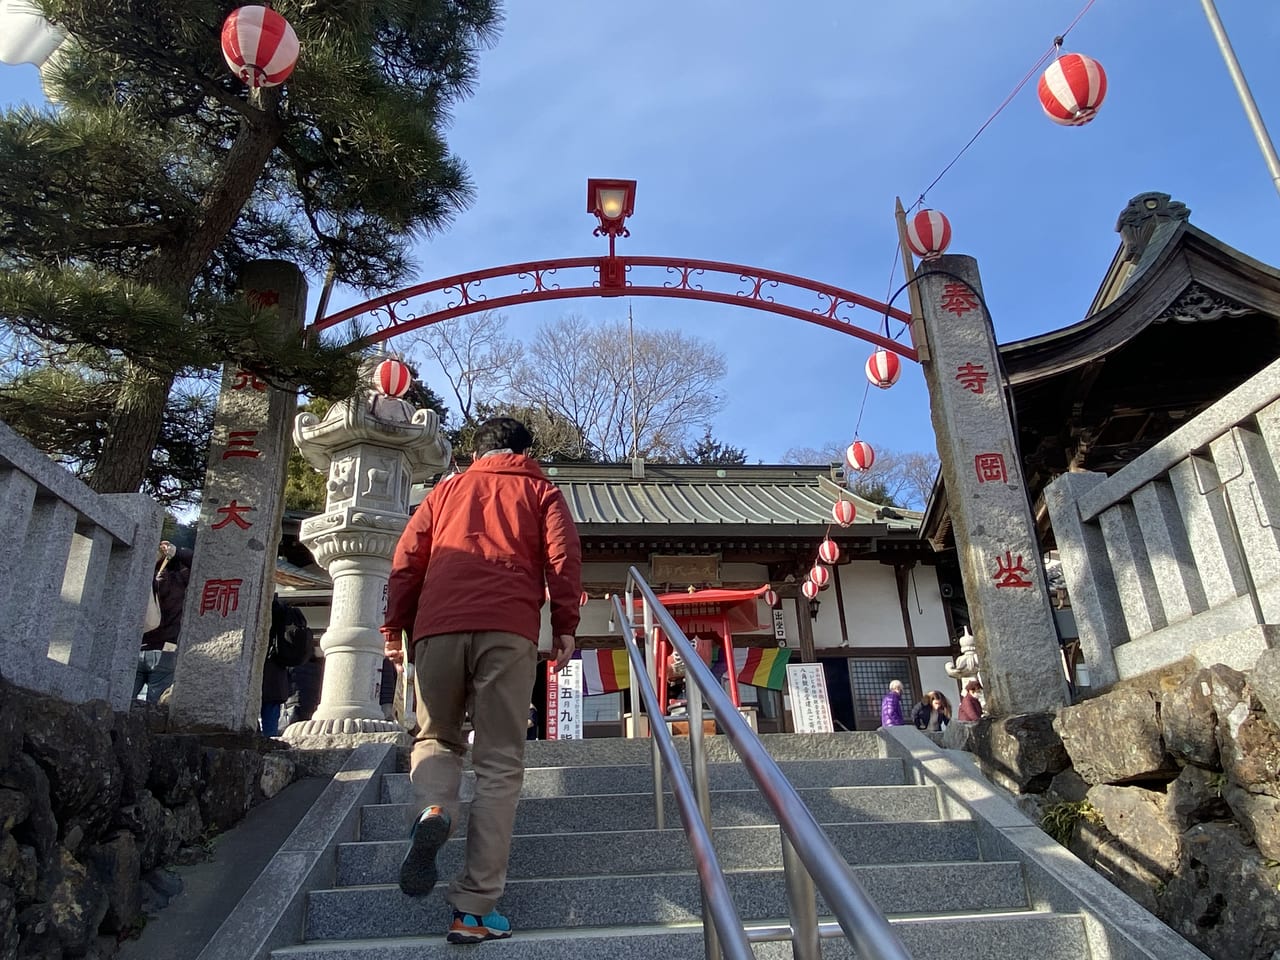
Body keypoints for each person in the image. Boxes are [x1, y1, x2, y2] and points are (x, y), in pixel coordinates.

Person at [382, 417, 581, 945]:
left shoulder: (443, 492)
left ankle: (433, 808)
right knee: (498, 763)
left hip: (436, 627)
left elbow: (407, 561)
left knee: (435, 738)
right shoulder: (542, 491)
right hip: (508, 629)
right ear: (525, 450)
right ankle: (472, 910)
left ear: (478, 450)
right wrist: (564, 626)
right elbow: (563, 560)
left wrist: (392, 629)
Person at [135, 541, 192, 703]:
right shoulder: (179, 582)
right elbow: (199, 562)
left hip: (137, 647)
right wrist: (177, 551)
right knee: (155, 707)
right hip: (166, 650)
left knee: (120, 701)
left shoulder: (141, 580)